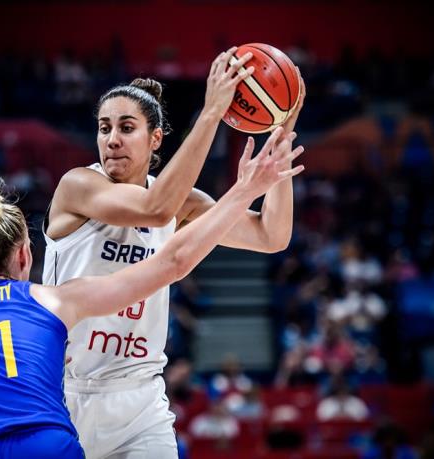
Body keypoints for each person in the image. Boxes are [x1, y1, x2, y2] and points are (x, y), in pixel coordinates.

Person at [0, 126, 304, 458]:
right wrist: (243, 188)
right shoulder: (53, 300)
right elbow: (174, 260)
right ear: (24, 254)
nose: (113, 139)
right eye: (105, 127)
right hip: (48, 437)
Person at [42, 47, 306, 457]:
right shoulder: (78, 186)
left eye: (126, 127)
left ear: (155, 138)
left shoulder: (183, 204)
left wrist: (281, 132)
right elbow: (155, 209)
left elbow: (271, 236)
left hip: (140, 400)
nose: (111, 139)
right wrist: (211, 113)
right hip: (65, 392)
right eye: (104, 128)